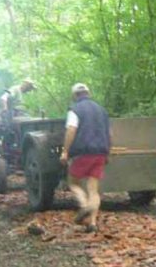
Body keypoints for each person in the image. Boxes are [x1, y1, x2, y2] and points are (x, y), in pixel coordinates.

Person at [59, 83, 111, 233]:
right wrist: (108, 152)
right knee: (93, 190)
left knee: (73, 182)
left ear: (75, 96)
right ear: (88, 93)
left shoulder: (75, 110)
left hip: (83, 153)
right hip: (100, 153)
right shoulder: (102, 110)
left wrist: (65, 151)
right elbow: (110, 133)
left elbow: (71, 130)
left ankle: (84, 206)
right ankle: (92, 223)